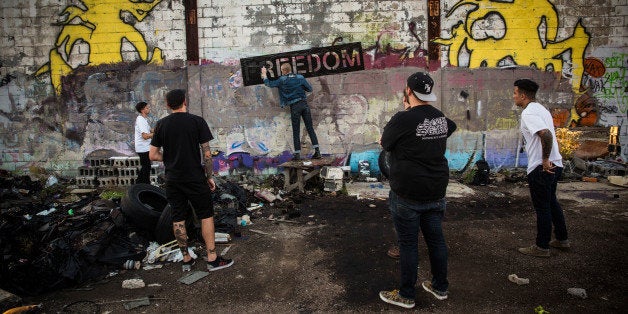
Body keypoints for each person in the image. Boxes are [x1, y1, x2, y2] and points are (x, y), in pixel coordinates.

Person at [379, 72, 457, 309]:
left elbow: (385, 143)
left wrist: (405, 117)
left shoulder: (403, 119)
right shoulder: (440, 118)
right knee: (436, 240)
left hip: (408, 192)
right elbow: (450, 127)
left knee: (409, 244)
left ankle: (406, 295)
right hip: (436, 190)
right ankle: (439, 287)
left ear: (409, 92)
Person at [149, 89, 234, 272]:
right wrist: (209, 177)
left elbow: (153, 155)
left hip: (172, 179)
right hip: (195, 178)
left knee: (178, 217)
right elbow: (208, 154)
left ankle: (186, 258)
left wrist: (170, 157)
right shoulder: (197, 121)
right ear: (185, 102)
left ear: (167, 105)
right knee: (205, 215)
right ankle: (212, 258)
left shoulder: (161, 125)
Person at [513, 79, 570, 258]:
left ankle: (541, 246)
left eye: (515, 93)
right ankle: (562, 239)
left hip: (542, 167)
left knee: (543, 207)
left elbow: (545, 135)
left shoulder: (528, 113)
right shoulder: (541, 109)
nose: (513, 96)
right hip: (556, 164)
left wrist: (544, 159)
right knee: (552, 202)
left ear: (523, 95)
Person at [261, 63, 321, 160]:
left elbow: (269, 84)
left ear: (284, 71)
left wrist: (264, 74)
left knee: (296, 131)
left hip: (295, 107)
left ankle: (297, 155)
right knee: (310, 128)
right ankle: (317, 152)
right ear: (290, 69)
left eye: (281, 70)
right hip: (304, 104)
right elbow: (309, 89)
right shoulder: (300, 77)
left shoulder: (282, 80)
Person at [134, 101, 153, 184]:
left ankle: (139, 184)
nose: (149, 109)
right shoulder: (140, 120)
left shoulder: (144, 119)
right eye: (147, 108)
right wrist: (157, 134)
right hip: (143, 148)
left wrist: (161, 128)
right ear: (142, 110)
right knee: (146, 167)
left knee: (146, 167)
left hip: (145, 147)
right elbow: (145, 136)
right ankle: (144, 185)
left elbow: (150, 130)